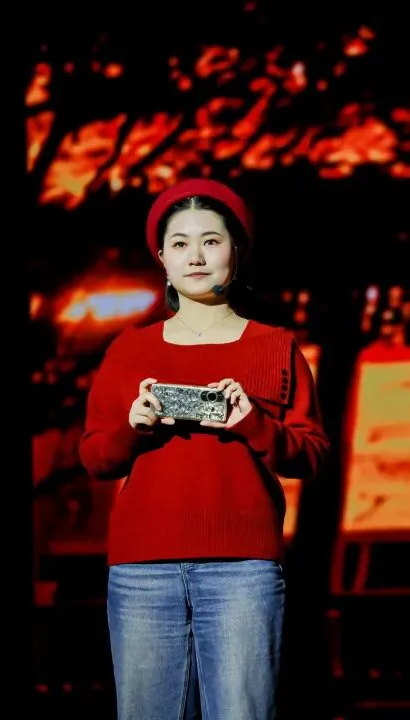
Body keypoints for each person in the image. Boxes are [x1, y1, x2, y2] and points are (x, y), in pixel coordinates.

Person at [79, 178, 330, 720]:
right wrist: (134, 426)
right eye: (180, 243)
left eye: (211, 241)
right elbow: (96, 457)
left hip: (243, 569)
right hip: (142, 569)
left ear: (237, 252)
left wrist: (254, 424)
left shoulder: (275, 346)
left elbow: (311, 454)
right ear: (163, 259)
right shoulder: (129, 350)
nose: (195, 256)